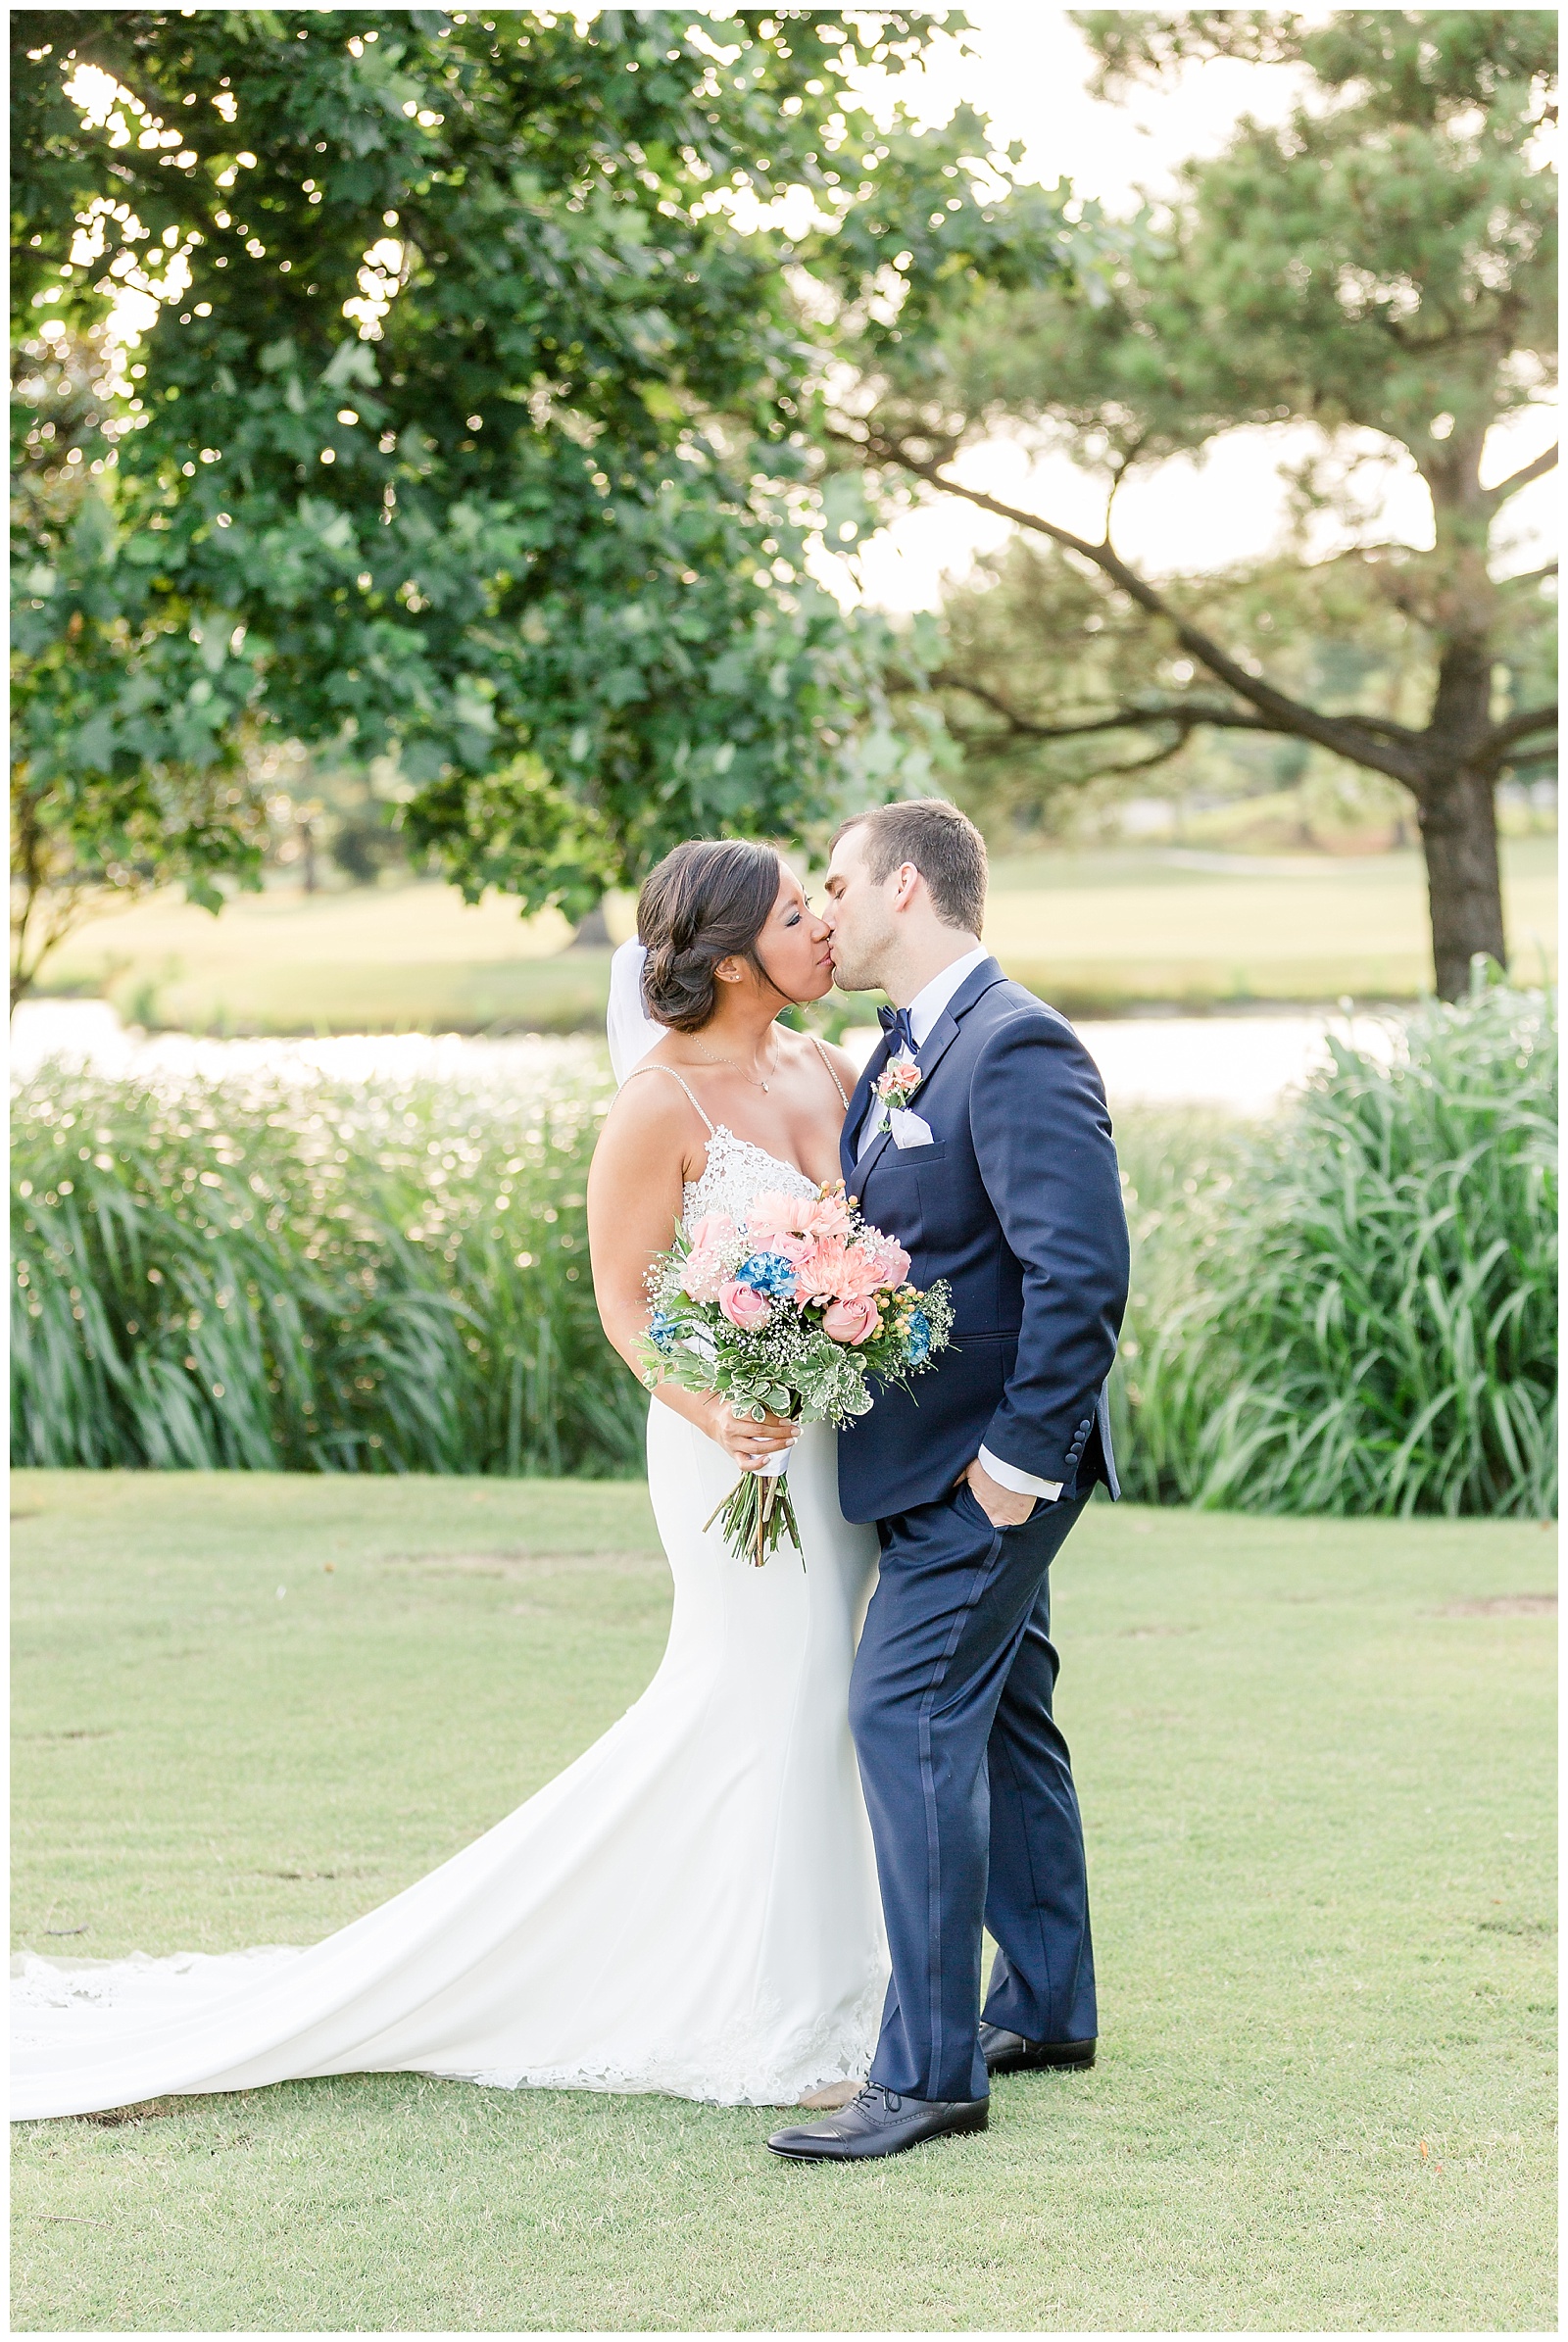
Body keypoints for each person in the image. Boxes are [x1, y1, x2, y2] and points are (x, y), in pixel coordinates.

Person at [11, 840, 885, 2120]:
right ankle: (785, 2011)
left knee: (829, 1696)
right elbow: (624, 1306)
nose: (824, 925)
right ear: (737, 957)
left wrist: (856, 1319)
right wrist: (720, 1405)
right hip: (724, 1451)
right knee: (777, 1690)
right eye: (799, 912)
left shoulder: (828, 1065)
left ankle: (836, 1982)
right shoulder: (658, 1104)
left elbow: (876, 1242)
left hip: (829, 1439)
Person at [764, 800, 1130, 2164]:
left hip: (990, 1469)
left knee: (902, 1706)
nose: (825, 907)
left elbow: (1079, 1273)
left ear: (905, 887)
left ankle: (927, 2074)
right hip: (922, 1457)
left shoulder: (1016, 1042)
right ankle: (1041, 2003)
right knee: (1004, 1717)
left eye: (840, 882)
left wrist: (1016, 1469)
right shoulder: (902, 1052)